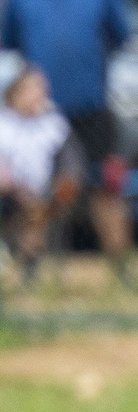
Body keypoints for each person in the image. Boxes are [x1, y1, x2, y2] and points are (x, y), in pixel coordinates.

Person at [1, 0, 133, 273]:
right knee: (38, 192)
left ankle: (120, 267)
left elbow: (119, 35)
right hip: (40, 114)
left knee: (106, 187)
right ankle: (29, 264)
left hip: (91, 105)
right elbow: (11, 42)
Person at [0, 66, 77, 281]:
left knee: (41, 207)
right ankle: (26, 264)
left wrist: (63, 183)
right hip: (10, 192)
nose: (39, 95)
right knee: (31, 208)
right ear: (15, 93)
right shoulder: (4, 123)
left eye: (42, 90)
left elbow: (71, 162)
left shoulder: (53, 124)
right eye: (32, 89)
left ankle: (29, 266)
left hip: (47, 192)